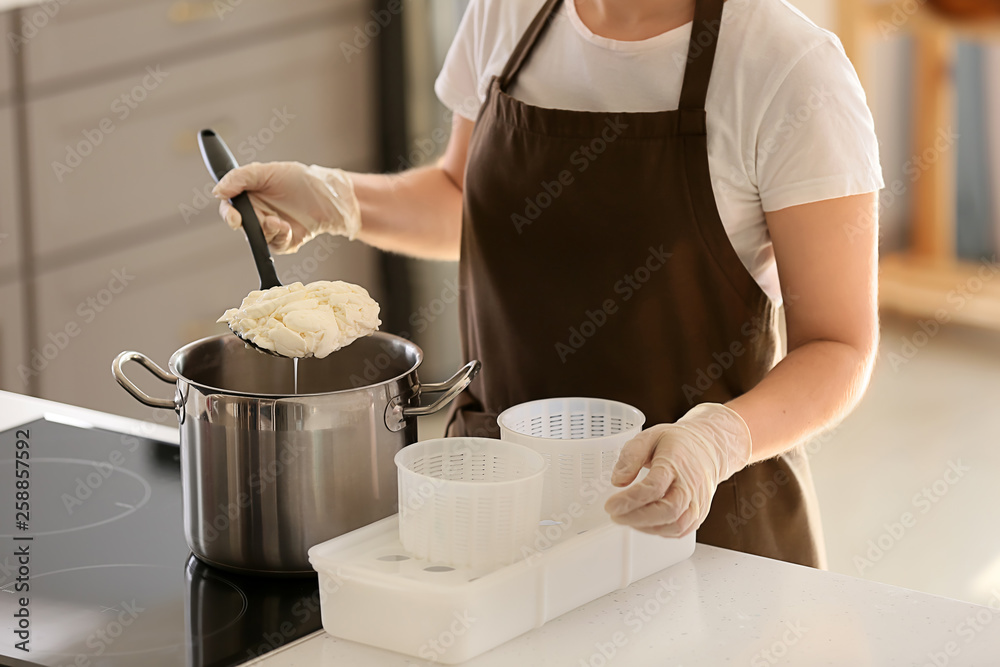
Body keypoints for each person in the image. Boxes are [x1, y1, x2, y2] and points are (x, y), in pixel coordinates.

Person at [213, 0, 883, 568]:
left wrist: (714, 442)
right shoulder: (510, 11)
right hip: (498, 512)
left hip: (701, 527)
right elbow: (463, 198)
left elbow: (839, 344)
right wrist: (335, 198)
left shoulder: (790, 70)